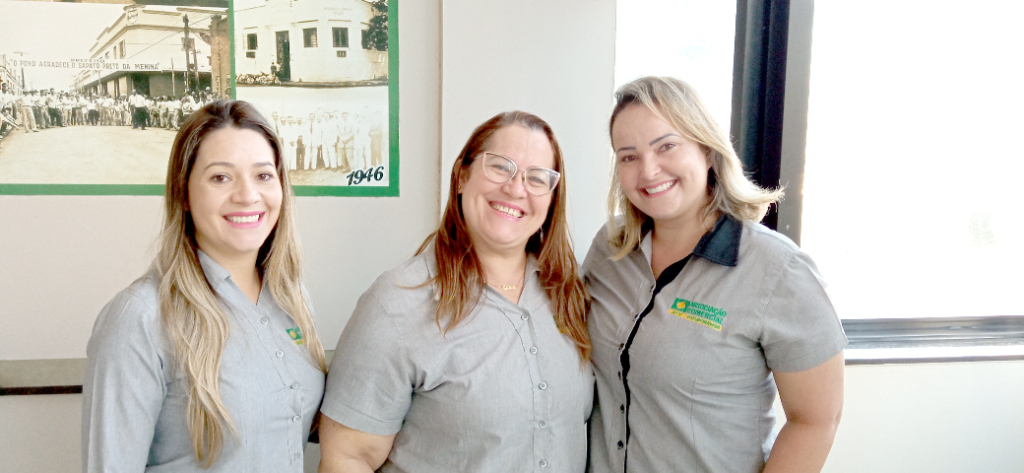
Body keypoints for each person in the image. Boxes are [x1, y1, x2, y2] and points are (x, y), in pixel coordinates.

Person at [584, 76, 846, 473]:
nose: (649, 170)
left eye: (666, 146)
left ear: (706, 149)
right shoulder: (611, 247)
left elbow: (815, 421)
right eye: (628, 156)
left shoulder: (779, 271)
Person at [319, 111, 593, 473]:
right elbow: (347, 459)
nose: (516, 188)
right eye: (500, 167)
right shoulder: (396, 303)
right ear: (462, 176)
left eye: (537, 177)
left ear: (552, 198)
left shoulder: (567, 292)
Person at [82, 100, 327, 472]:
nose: (248, 195)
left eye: (263, 176)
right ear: (183, 193)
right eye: (220, 177)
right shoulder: (141, 318)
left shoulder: (292, 299)